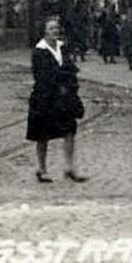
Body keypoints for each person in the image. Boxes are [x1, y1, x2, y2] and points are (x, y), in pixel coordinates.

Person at [26, 17, 87, 182]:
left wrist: (70, 86)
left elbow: (71, 69)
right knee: (42, 135)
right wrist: (60, 83)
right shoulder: (39, 51)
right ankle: (42, 168)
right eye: (51, 28)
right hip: (45, 98)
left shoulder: (63, 48)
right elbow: (42, 76)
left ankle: (69, 167)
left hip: (64, 97)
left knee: (69, 131)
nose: (55, 31)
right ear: (45, 31)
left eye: (57, 28)